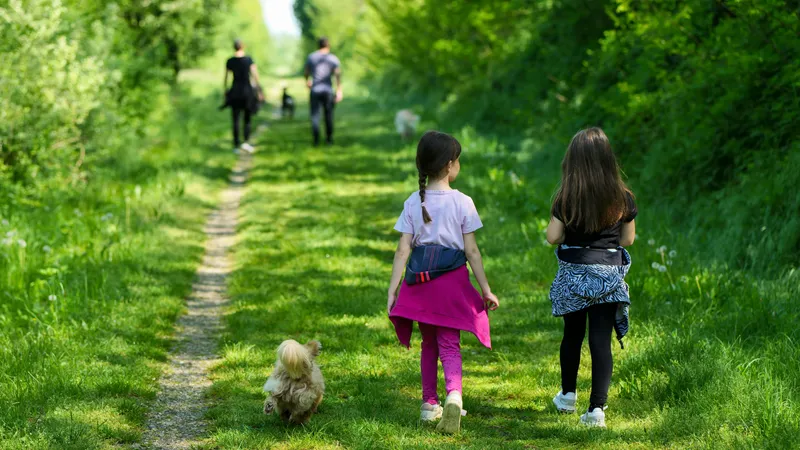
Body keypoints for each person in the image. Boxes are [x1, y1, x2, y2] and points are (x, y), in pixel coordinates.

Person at [387, 131, 499, 434]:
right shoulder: (463, 202)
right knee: (450, 343)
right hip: (451, 284)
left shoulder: (414, 202)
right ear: (450, 165)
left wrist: (393, 288)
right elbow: (472, 251)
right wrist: (485, 289)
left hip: (421, 286)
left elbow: (403, 249)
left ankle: (428, 403)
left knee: (428, 343)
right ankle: (453, 394)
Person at [545, 127, 637, 428]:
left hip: (574, 274)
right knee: (600, 340)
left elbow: (552, 237)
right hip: (607, 274)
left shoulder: (566, 197)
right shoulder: (623, 198)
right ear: (608, 160)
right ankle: (597, 410)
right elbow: (628, 240)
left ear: (572, 162)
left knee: (572, 336)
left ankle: (568, 396)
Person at [224, 39, 263, 154]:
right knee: (247, 118)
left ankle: (236, 144)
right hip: (247, 92)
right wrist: (259, 91)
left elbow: (226, 78)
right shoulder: (249, 60)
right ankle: (246, 142)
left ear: (234, 47)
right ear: (243, 47)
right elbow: (255, 76)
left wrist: (225, 91)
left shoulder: (230, 61)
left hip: (235, 91)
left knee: (235, 119)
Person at [304, 37, 342, 146]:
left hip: (315, 89)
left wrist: (307, 81)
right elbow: (337, 74)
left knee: (315, 115)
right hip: (328, 90)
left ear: (318, 45)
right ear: (328, 46)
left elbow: (306, 72)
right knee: (328, 115)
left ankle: (316, 140)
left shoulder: (311, 57)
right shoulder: (333, 58)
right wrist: (339, 90)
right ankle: (329, 139)